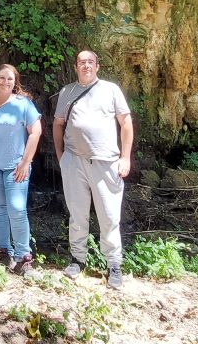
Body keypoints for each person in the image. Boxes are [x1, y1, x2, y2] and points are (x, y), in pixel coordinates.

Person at [52, 50, 134, 289]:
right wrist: (61, 157)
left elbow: (126, 123)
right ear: (76, 66)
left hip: (106, 162)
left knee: (109, 217)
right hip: (74, 162)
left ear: (97, 66)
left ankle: (114, 265)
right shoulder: (67, 92)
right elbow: (58, 124)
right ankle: (78, 259)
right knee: (77, 215)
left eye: (90, 62)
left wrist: (125, 157)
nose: (86, 66)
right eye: (81, 62)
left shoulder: (111, 90)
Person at [0, 64, 42, 275]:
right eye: (2, 78)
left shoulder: (23, 104)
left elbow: (35, 132)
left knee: (17, 209)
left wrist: (25, 162)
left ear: (15, 82)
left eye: (10, 79)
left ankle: (24, 257)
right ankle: (4, 252)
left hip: (16, 167)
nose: (5, 82)